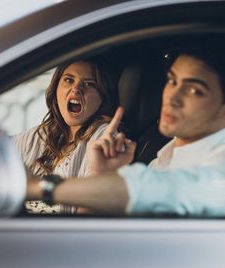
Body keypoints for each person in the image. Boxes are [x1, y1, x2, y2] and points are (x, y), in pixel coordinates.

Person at [27, 45, 225, 217]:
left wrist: (37, 187)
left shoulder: (217, 166)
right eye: (172, 81)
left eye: (194, 91)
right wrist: (102, 175)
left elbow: (160, 189)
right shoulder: (164, 158)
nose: (172, 97)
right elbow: (91, 238)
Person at [13, 56, 117, 214]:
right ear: (56, 88)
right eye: (69, 80)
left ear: (102, 96)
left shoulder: (104, 135)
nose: (76, 89)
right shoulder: (44, 134)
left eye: (89, 84)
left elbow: (90, 215)